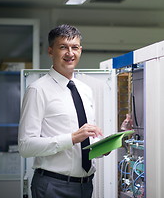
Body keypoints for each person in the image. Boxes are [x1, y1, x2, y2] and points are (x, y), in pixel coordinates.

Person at [18, 24, 104, 198]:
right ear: (51, 51)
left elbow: (85, 140)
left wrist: (101, 146)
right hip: (53, 186)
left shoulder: (85, 90)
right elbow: (25, 146)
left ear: (81, 50)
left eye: (75, 47)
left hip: (86, 186)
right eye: (63, 47)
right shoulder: (38, 90)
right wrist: (71, 138)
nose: (70, 53)